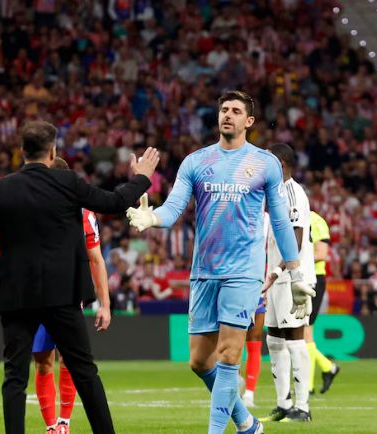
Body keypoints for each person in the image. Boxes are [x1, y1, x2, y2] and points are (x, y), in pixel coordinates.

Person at [126, 91, 314, 434]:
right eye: (224, 110)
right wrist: (151, 218)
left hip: (243, 274)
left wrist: (296, 270)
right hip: (205, 272)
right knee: (199, 361)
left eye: (236, 111)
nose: (228, 115)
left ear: (249, 121)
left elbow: (281, 222)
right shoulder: (196, 162)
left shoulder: (265, 163)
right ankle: (246, 423)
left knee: (229, 356)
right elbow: (172, 208)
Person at [0, 120, 159, 434]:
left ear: (22, 152)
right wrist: (142, 178)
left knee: (15, 378)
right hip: (62, 295)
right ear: (52, 150)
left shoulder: (0, 189)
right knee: (85, 372)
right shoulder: (68, 182)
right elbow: (113, 203)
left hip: (16, 297)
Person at [33, 157, 113, 434]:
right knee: (43, 360)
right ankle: (52, 426)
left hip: (68, 295)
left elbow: (96, 258)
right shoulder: (31, 207)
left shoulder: (83, 213)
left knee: (68, 359)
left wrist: (105, 303)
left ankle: (64, 422)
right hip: (37, 296)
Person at [262, 143, 316, 423]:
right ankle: (283, 403)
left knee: (295, 337)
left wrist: (277, 271)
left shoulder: (293, 192)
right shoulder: (273, 193)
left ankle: (303, 407)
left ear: (281, 164)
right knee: (274, 339)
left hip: (293, 277)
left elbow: (294, 238)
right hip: (275, 276)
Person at [306, 211, 339, 395]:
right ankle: (327, 367)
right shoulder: (288, 216)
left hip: (314, 278)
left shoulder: (316, 221)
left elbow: (321, 253)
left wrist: (293, 261)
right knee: (300, 333)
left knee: (305, 331)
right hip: (299, 278)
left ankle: (307, 385)